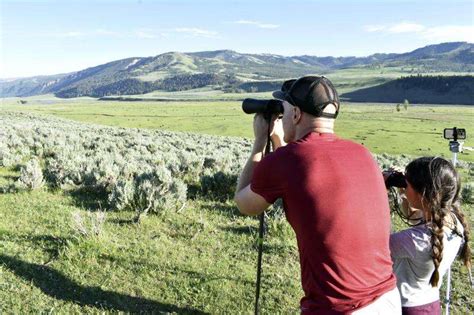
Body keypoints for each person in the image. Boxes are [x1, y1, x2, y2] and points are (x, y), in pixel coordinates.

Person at [234, 76, 400, 314]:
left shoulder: (286, 161)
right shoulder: (362, 153)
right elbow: (303, 172)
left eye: (285, 109)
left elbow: (244, 203)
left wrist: (261, 140)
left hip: (338, 307)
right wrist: (279, 140)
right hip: (387, 298)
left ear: (296, 114)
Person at [388, 157, 471, 314]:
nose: (404, 186)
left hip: (405, 308)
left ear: (423, 193)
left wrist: (380, 191)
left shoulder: (413, 239)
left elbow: (373, 249)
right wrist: (404, 193)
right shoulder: (454, 222)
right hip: (430, 305)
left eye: (407, 183)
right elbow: (414, 218)